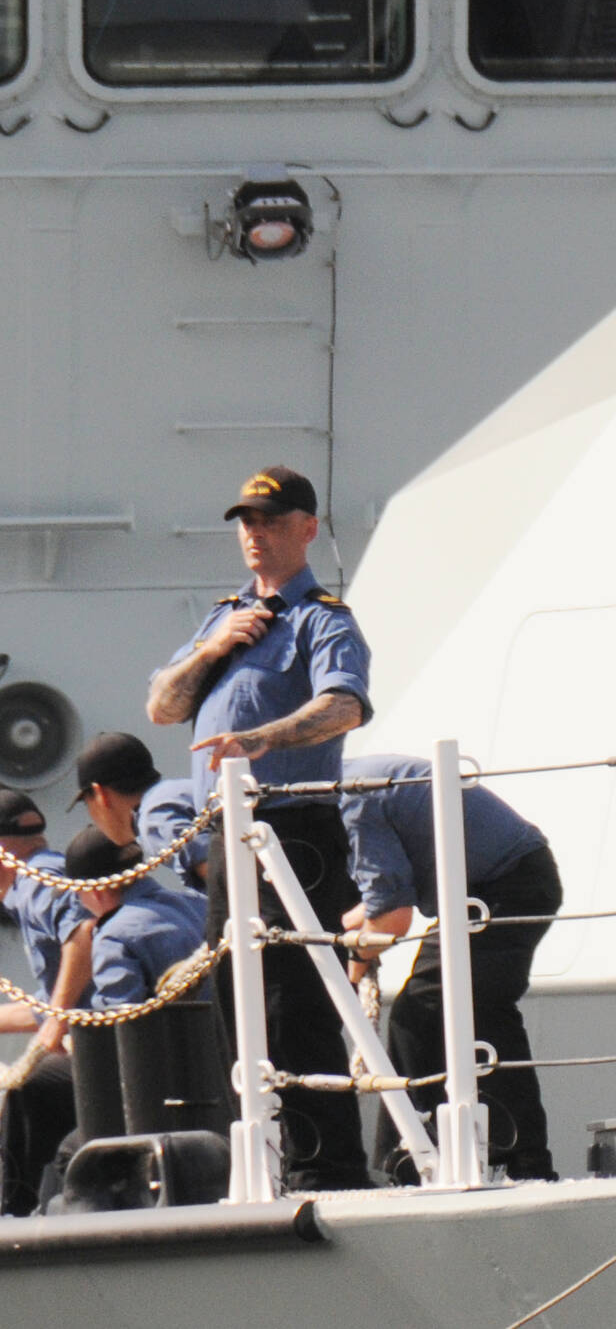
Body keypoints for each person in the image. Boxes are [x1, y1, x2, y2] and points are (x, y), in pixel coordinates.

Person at [143, 465, 373, 1191]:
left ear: (307, 528)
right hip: (227, 832)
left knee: (293, 998)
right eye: (246, 521)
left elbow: (345, 705)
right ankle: (261, 1158)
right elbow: (163, 705)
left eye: (270, 521)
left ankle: (325, 1164)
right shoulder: (222, 618)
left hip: (292, 827)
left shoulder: (322, 619)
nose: (254, 534)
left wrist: (265, 736)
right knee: (237, 996)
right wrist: (214, 649)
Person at [339, 754, 563, 1183]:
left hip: (505, 887)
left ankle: (414, 1156)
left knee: (422, 1010)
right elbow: (381, 902)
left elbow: (392, 918)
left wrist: (353, 967)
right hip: (506, 881)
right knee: (479, 1010)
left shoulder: (352, 800)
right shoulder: (351, 783)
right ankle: (524, 1160)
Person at [0, 789, 92, 1214]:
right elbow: (53, 1001)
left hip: (110, 1048)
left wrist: (55, 1024)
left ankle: (13, 1212)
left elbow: (84, 934)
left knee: (26, 1090)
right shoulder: (41, 875)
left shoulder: (35, 880)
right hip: (103, 1038)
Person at [63, 829, 209, 1010]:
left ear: (96, 892)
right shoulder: (200, 904)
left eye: (78, 896)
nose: (82, 904)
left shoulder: (113, 938)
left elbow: (121, 1025)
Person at [72, 731, 207, 890]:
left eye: (86, 803)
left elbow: (222, 871)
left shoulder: (152, 819)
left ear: (100, 794)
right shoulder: (180, 791)